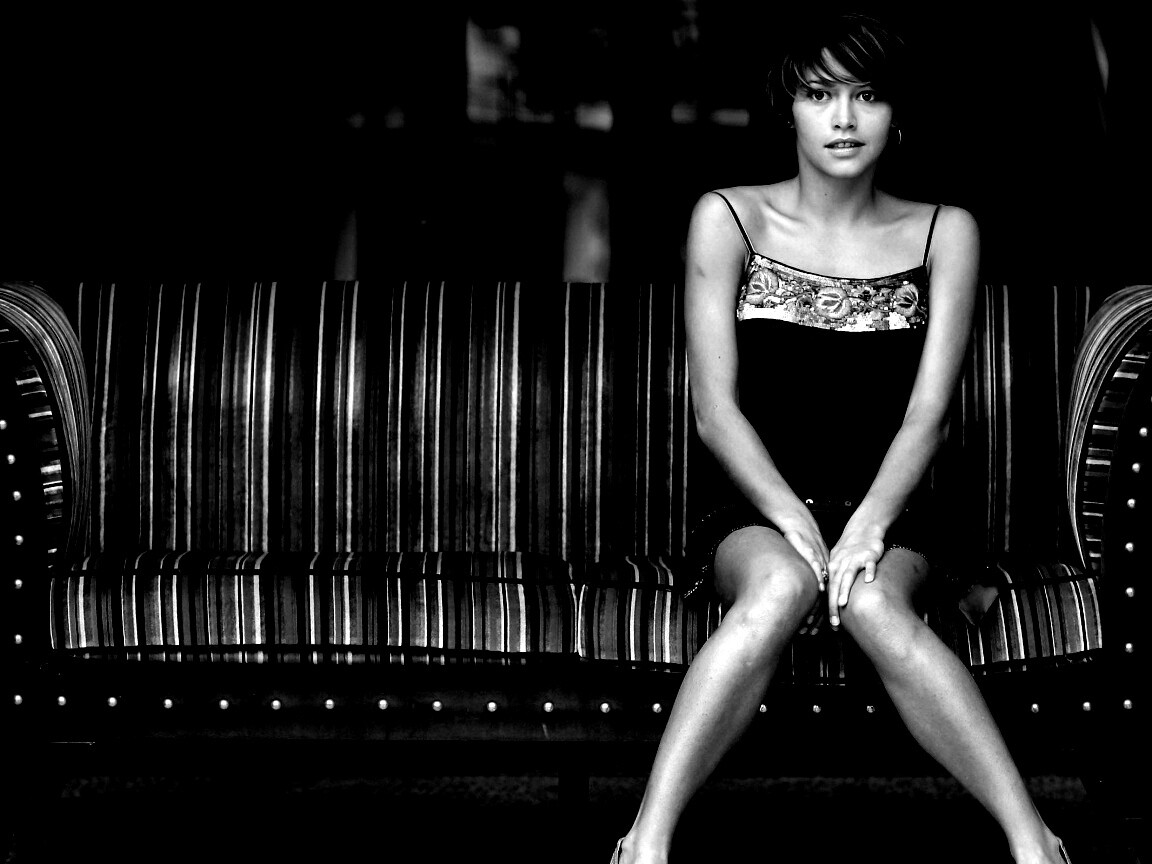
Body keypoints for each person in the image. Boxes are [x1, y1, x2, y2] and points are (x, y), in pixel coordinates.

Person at [610, 12, 1073, 864]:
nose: (844, 118)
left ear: (897, 114)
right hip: (756, 505)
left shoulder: (945, 230)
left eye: (866, 95)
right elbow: (715, 412)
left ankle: (1034, 843)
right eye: (820, 95)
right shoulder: (728, 217)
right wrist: (791, 516)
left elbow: (927, 415)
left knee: (869, 599)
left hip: (895, 506)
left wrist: (866, 528)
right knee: (781, 586)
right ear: (788, 108)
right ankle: (645, 844)